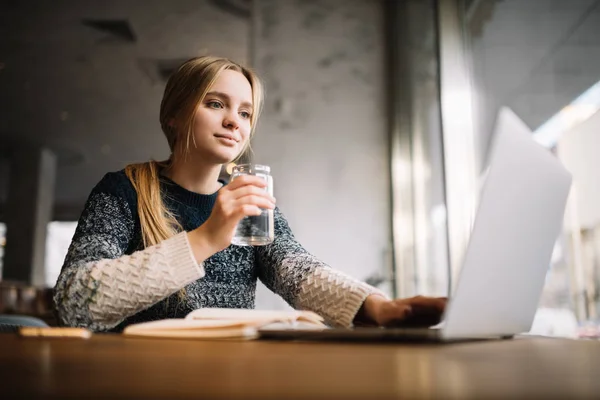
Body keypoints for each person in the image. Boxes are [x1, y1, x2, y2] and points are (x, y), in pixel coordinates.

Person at [53, 55, 446, 333]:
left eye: (245, 113)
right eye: (215, 103)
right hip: (141, 375)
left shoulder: (248, 200)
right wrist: (206, 238)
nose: (233, 122)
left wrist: (380, 307)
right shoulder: (124, 191)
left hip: (231, 372)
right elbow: (74, 301)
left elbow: (297, 271)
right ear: (174, 114)